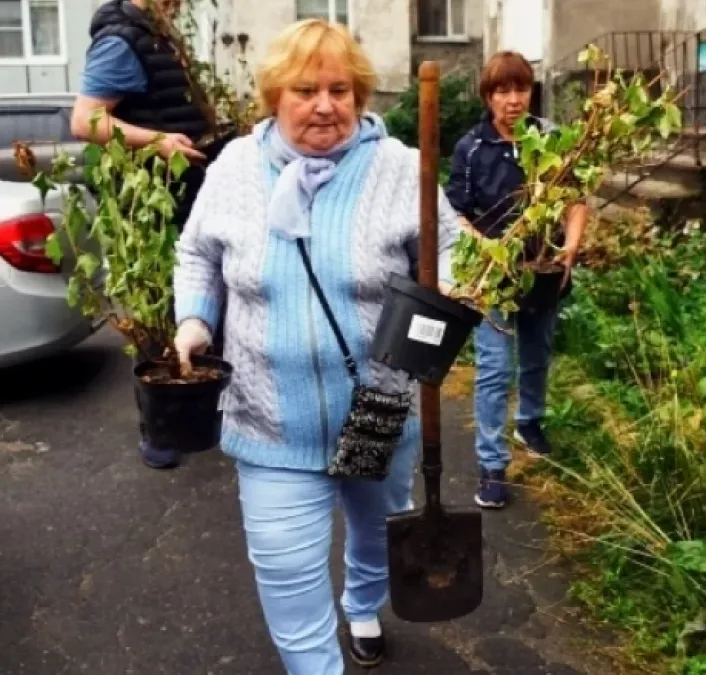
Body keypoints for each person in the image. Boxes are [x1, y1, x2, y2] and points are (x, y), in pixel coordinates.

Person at [171, 19, 463, 673]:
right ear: (275, 96)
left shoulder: (398, 170)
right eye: (306, 89)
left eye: (341, 88)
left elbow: (449, 253)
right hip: (271, 418)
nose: (326, 104)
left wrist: (472, 275)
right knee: (286, 570)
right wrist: (194, 319)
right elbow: (197, 253)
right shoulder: (236, 170)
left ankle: (362, 603)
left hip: (379, 407)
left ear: (360, 96)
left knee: (374, 531)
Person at [74, 0, 222, 471]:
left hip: (178, 194)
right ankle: (159, 432)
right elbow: (86, 119)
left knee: (185, 310)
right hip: (151, 205)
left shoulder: (156, 31)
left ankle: (190, 418)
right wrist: (157, 142)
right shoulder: (121, 38)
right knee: (156, 316)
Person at [445, 51, 589, 509]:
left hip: (544, 271)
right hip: (494, 277)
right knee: (492, 370)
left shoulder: (548, 139)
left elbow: (575, 199)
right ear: (488, 97)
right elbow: (457, 213)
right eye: (503, 91)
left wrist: (569, 249)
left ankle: (529, 422)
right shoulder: (472, 148)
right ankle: (491, 465)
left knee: (536, 356)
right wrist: (489, 250)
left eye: (520, 89)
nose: (513, 99)